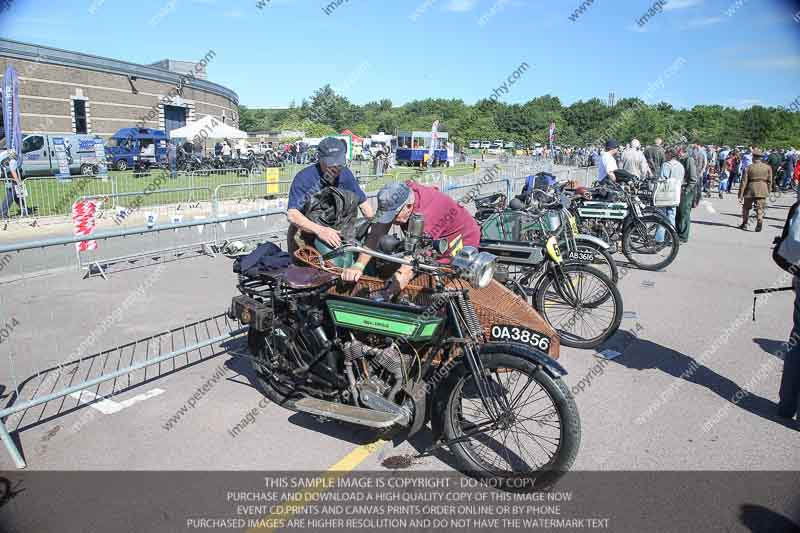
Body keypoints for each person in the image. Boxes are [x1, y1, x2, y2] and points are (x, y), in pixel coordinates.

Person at [341, 181, 480, 292]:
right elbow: (376, 233)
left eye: (394, 216)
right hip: (428, 238)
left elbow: (416, 256)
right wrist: (358, 265)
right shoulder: (397, 196)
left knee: (443, 286)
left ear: (408, 206)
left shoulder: (426, 216)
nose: (392, 220)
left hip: (461, 239)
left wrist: (393, 286)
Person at [287, 137, 374, 255]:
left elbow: (364, 205)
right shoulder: (304, 179)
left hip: (338, 233)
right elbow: (293, 215)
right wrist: (320, 231)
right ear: (320, 159)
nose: (335, 168)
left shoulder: (346, 174)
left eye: (339, 163)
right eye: (330, 163)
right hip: (306, 237)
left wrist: (375, 231)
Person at [738, 149, 773, 232]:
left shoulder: (749, 167)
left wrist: (741, 193)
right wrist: (768, 191)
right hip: (762, 189)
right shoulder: (768, 167)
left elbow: (744, 181)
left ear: (753, 157)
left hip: (750, 189)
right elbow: (770, 181)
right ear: (761, 158)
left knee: (746, 208)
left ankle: (745, 223)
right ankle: (759, 222)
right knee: (760, 208)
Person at [655, 148, 683, 243]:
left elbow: (662, 178)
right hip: (675, 194)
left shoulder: (666, 165)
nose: (665, 156)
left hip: (665, 193)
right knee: (672, 215)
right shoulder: (680, 166)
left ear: (669, 155)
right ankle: (671, 237)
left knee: (661, 216)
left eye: (666, 154)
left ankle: (659, 238)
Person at [676, 146, 698, 243]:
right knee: (678, 213)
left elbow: (693, 178)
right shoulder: (680, 159)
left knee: (684, 213)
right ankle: (677, 233)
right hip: (680, 189)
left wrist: (686, 190)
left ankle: (683, 236)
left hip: (686, 190)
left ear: (681, 151)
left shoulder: (689, 160)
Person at [0, 149, 23, 219]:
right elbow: (13, 172)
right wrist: (18, 182)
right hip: (11, 180)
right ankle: (2, 212)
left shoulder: (4, 159)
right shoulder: (12, 161)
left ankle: (25, 209)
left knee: (17, 195)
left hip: (7, 178)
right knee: (11, 195)